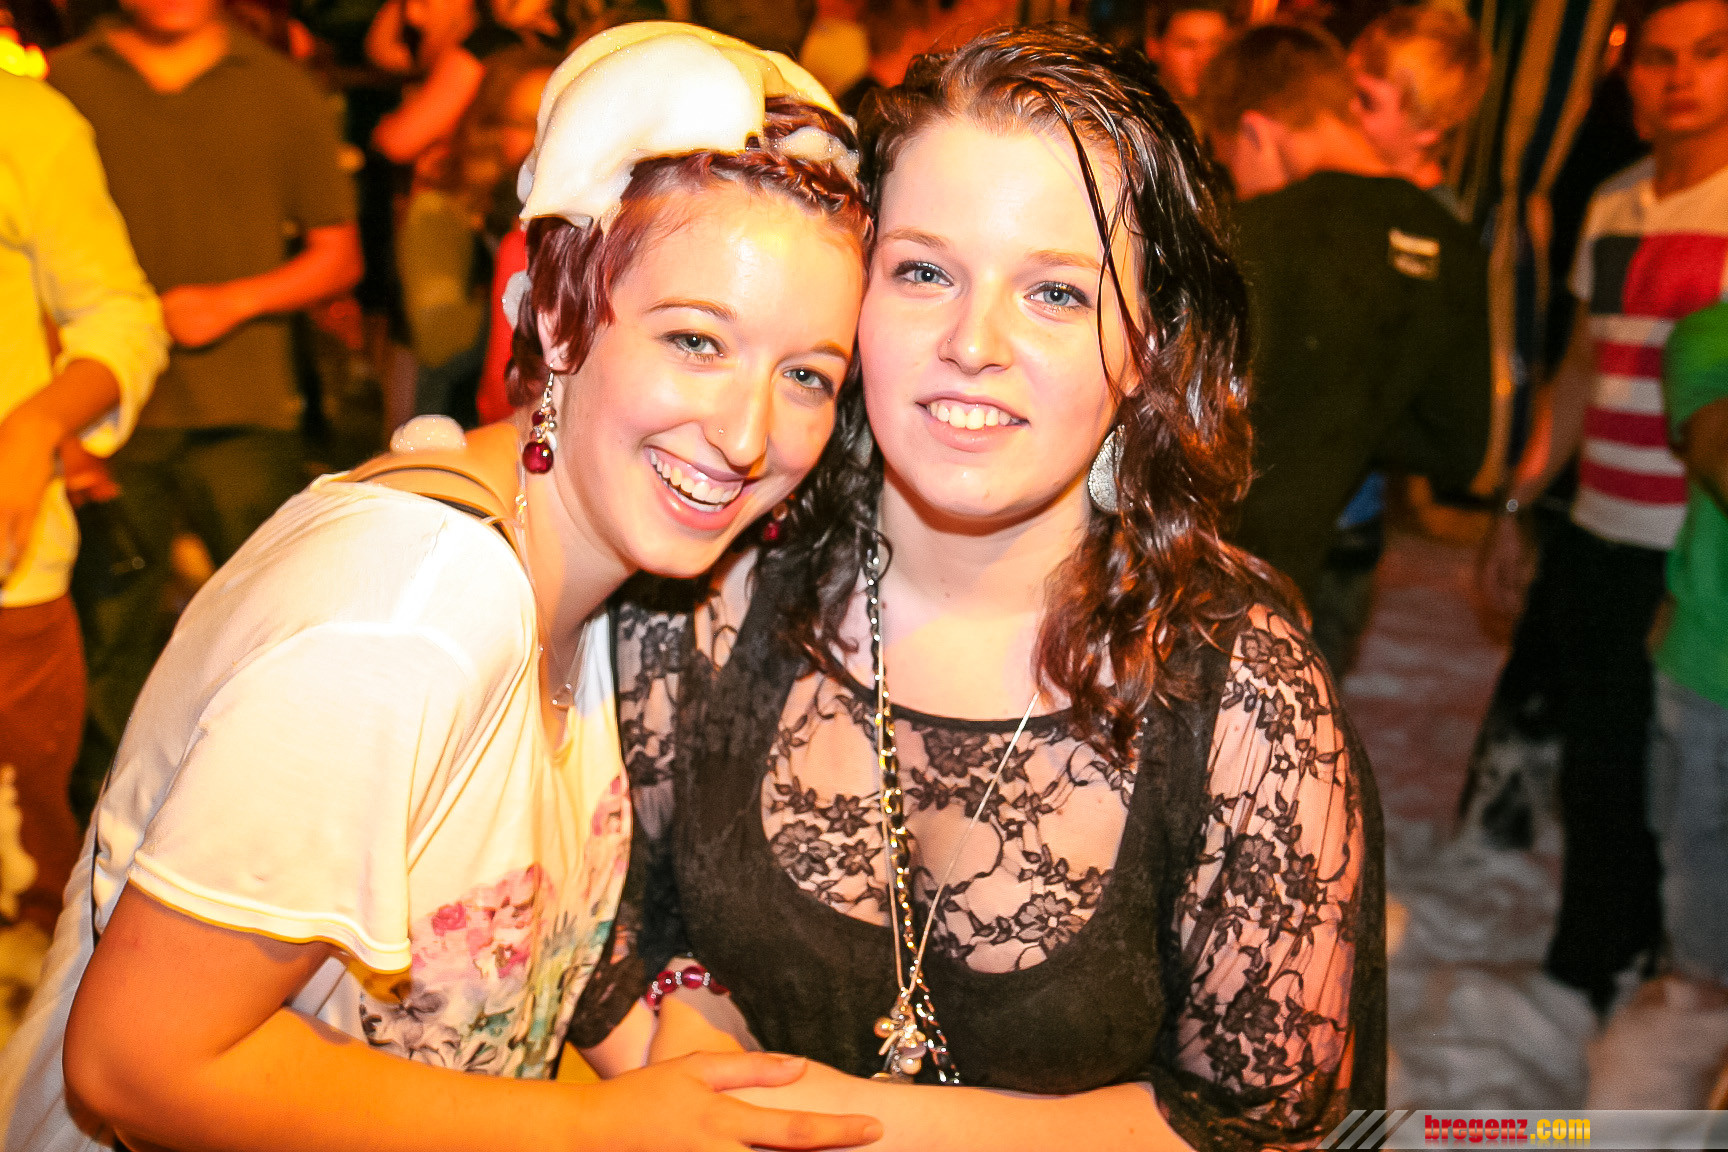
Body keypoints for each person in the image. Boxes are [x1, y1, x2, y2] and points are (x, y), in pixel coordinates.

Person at [0, 24, 881, 1152]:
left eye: (806, 375)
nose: (750, 435)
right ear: (557, 312)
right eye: (697, 341)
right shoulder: (411, 618)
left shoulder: (587, 583)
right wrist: (594, 1130)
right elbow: (138, 1063)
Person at [614, 25, 1385, 1151]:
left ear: (1148, 346)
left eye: (1056, 293)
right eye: (924, 271)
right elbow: (625, 937)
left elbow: (1256, 1121)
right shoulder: (705, 591)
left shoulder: (1247, 699)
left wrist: (822, 1124)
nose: (972, 341)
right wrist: (687, 1016)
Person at [1477, 0, 1728, 1013]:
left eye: (1709, 53)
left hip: (1691, 547)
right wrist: (1516, 502)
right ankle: (1593, 979)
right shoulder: (1617, 200)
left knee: (1676, 782)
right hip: (1596, 529)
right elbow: (1584, 364)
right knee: (1598, 765)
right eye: (1658, 58)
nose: (1680, 77)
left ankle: (1656, 983)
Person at [49, 0, 365, 802]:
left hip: (245, 405)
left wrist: (232, 302)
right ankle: (106, 829)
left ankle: (257, 806)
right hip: (106, 411)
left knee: (268, 631)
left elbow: (338, 254)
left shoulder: (279, 86)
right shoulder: (67, 85)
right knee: (107, 642)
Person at [1198, 23, 1491, 671]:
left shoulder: (1257, 234)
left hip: (1231, 562)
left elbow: (1199, 417)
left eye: (1229, 160)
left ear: (1257, 131)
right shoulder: (1451, 242)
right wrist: (1352, 427)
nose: (1236, 182)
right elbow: (1458, 446)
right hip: (1346, 549)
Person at [0, 73, 166, 944]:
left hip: (8, 573)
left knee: (20, 881)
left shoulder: (24, 121)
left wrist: (34, 428)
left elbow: (121, 317)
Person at [1347, 4, 1488, 214]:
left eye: (1367, 102)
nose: (1348, 106)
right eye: (1346, 86)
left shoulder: (1431, 222)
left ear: (1428, 127)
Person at [1144, 0, 1235, 126]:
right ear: (1154, 47)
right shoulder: (1132, 123)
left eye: (1216, 45)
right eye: (1188, 45)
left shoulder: (1241, 126)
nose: (1203, 59)